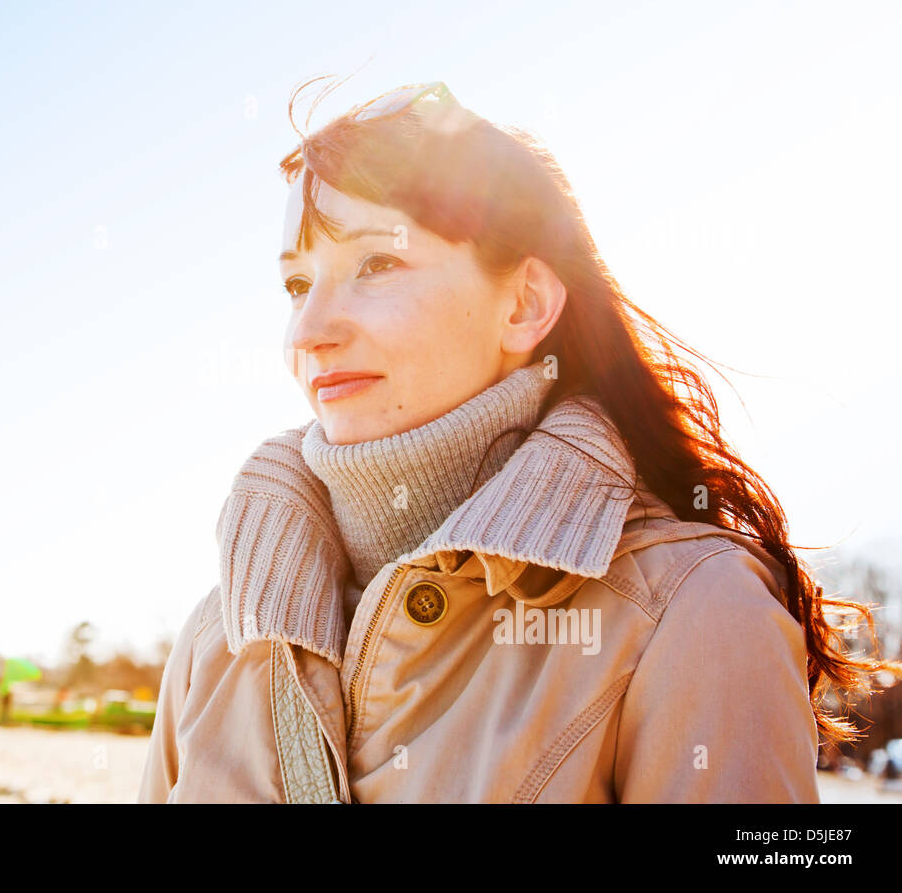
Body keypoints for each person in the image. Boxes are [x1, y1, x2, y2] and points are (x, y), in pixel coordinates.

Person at [137, 78, 902, 804]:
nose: (309, 331)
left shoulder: (697, 613)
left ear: (525, 303)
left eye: (377, 264)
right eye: (298, 286)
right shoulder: (223, 633)